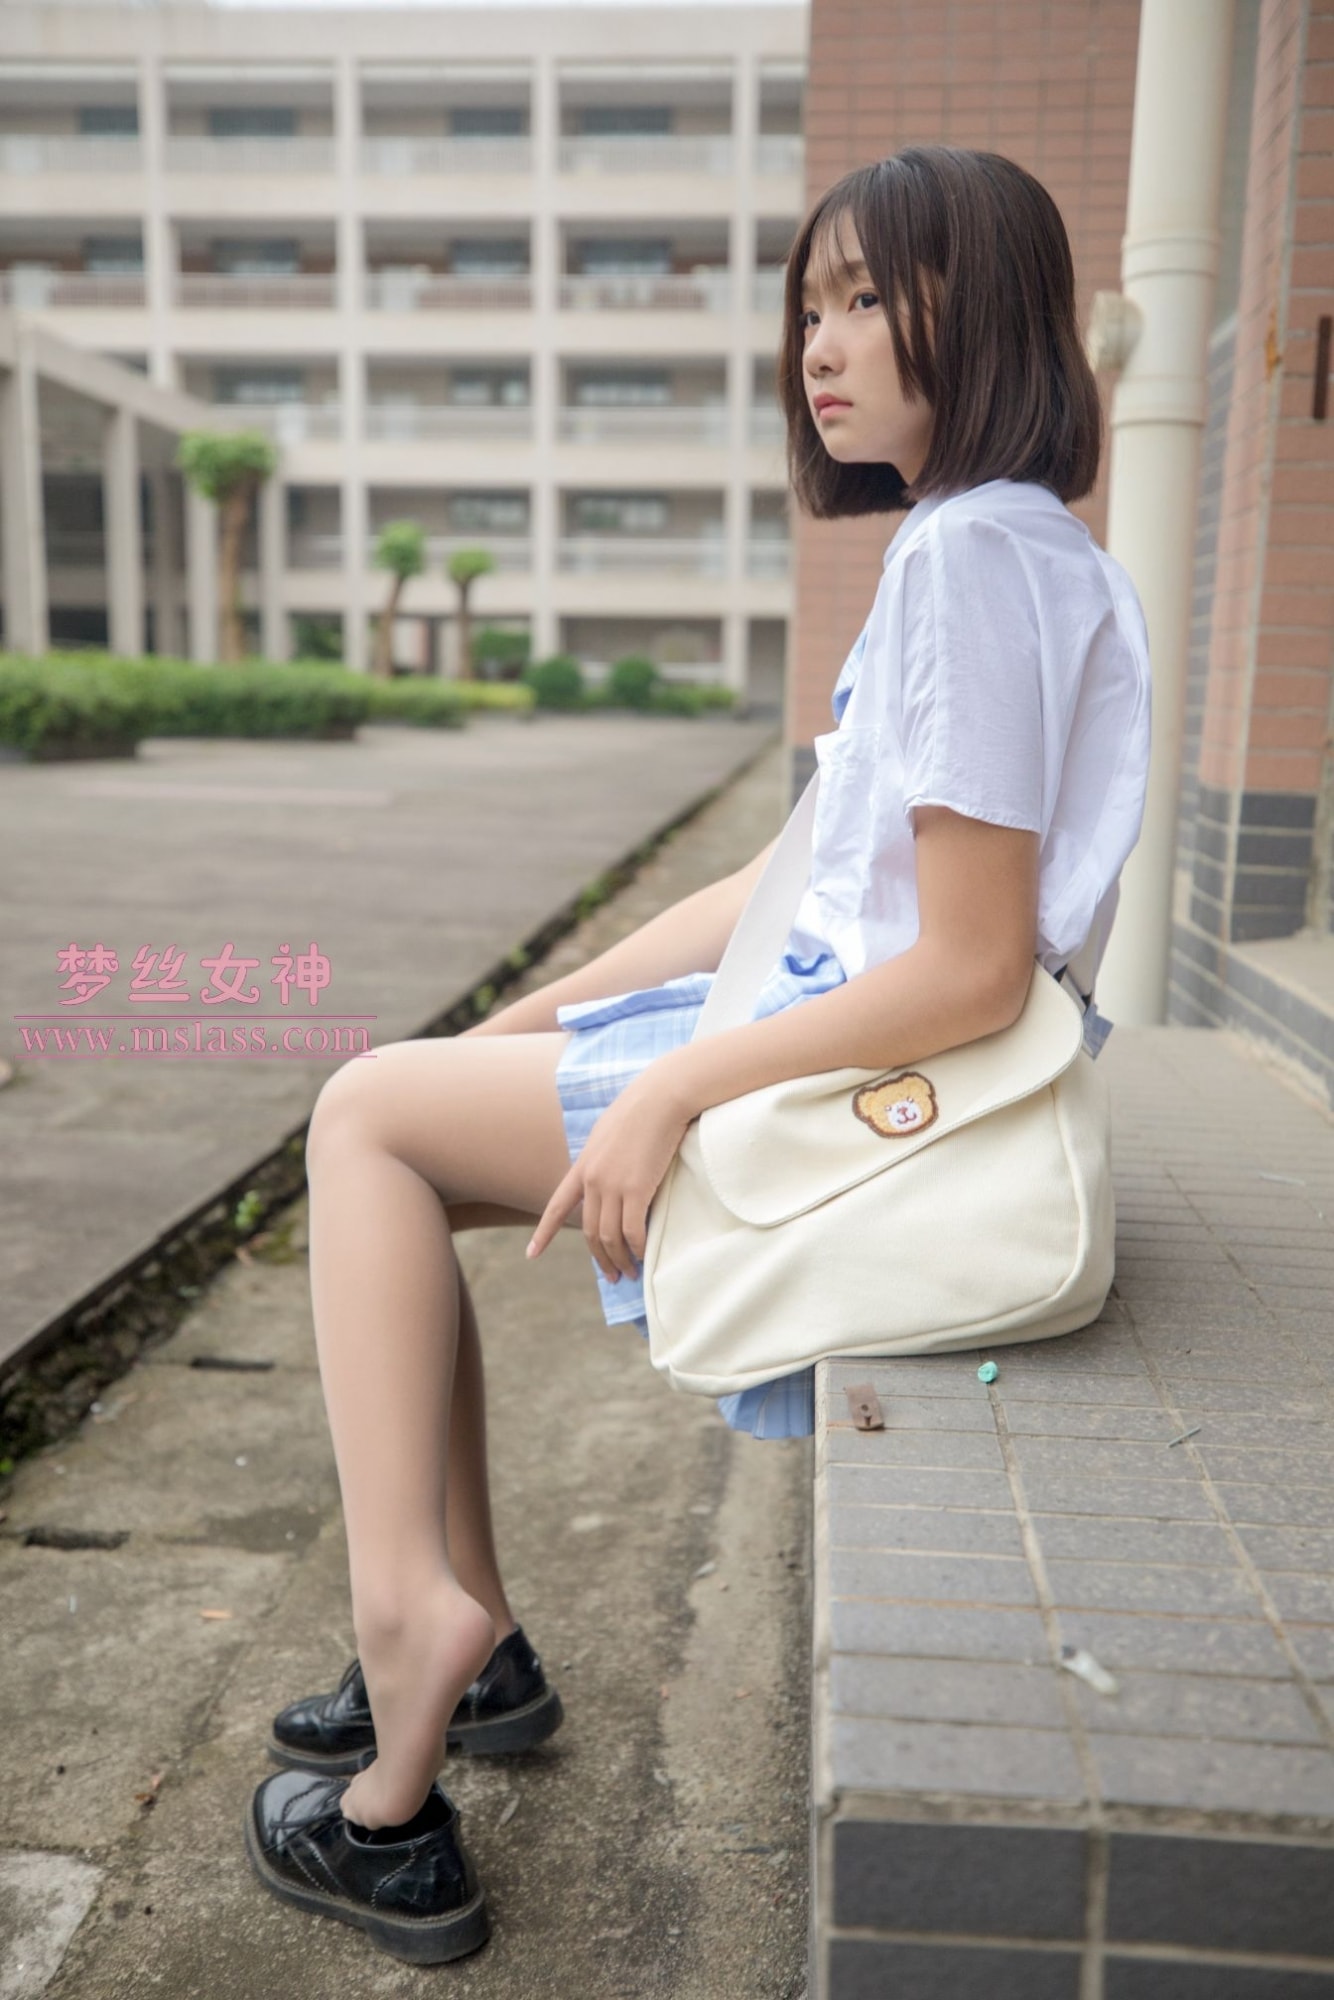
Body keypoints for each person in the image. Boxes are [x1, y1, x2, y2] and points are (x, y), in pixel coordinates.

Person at [245, 144, 1151, 1963]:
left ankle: (406, 1723)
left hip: (849, 1102)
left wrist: (663, 1088)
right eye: (810, 305)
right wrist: (530, 1024)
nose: (820, 344)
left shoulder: (970, 555)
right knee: (404, 1114)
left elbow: (975, 964)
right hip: (830, 1055)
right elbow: (784, 881)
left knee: (362, 1118)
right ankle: (468, 1639)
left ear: (985, 311)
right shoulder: (1009, 544)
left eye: (869, 299)